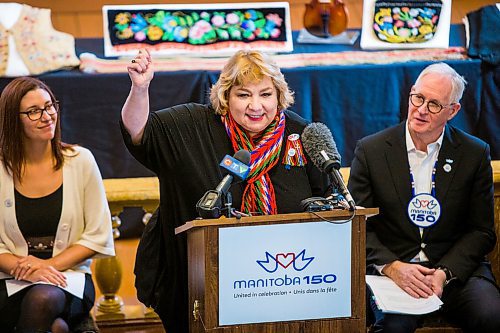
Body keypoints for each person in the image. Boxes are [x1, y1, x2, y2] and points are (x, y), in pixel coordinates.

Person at [121, 49, 330, 331]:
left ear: (279, 96)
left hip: (285, 282)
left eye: (266, 94)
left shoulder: (301, 133)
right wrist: (140, 88)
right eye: (243, 95)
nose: (256, 106)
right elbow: (138, 132)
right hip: (201, 284)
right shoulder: (193, 125)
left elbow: (325, 203)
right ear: (225, 96)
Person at [348, 63, 500, 332]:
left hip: (455, 272)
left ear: (452, 111)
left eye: (434, 104)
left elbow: (482, 231)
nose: (420, 109)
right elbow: (359, 225)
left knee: (491, 315)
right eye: (417, 98)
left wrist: (444, 272)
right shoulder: (371, 151)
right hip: (394, 273)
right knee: (394, 327)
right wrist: (393, 266)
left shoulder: (474, 154)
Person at [0, 77, 115, 333]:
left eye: (50, 105)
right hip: (10, 278)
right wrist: (25, 269)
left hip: (68, 276)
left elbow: (97, 235)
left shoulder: (81, 161)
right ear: (12, 119)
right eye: (33, 111)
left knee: (43, 299)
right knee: (57, 327)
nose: (47, 115)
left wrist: (45, 266)